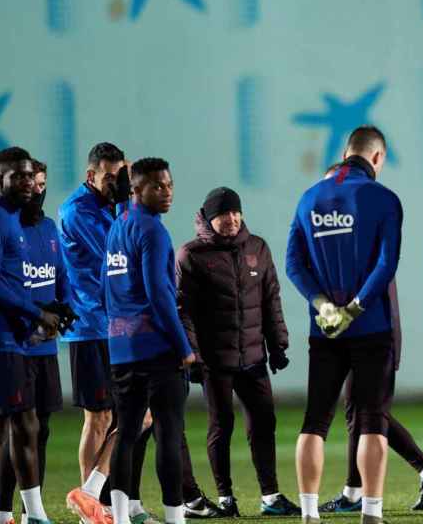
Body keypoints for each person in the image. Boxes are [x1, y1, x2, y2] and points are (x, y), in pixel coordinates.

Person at [286, 126, 402, 524]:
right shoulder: (383, 198)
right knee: (372, 422)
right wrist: (353, 308)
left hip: (325, 331)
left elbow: (293, 265)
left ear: (345, 151)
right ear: (376, 158)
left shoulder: (308, 198)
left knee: (314, 422)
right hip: (369, 328)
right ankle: (371, 513)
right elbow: (386, 265)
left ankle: (308, 513)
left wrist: (323, 306)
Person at [318, 160, 423, 516]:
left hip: (374, 336)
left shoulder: (361, 233)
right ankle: (358, 490)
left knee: (366, 412)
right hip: (357, 336)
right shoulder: (343, 238)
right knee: (358, 412)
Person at [176, 187, 299, 517]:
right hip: (215, 362)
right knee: (222, 425)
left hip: (254, 358)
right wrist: (193, 357)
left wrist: (278, 345)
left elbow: (271, 299)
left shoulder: (257, 248)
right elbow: (183, 311)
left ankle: (270, 497)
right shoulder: (191, 255)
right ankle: (226, 498)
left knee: (264, 422)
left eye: (235, 212)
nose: (230, 219)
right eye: (222, 214)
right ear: (208, 218)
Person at [0, 147, 60, 524]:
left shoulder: (10, 218)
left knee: (28, 423)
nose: (27, 183)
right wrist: (36, 311)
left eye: (29, 176)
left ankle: (33, 513)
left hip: (13, 338)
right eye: (17, 176)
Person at [103, 158, 196, 524]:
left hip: (121, 348)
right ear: (137, 191)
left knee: (125, 433)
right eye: (158, 186)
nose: (168, 191)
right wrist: (184, 347)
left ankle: (121, 517)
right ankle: (175, 518)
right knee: (168, 433)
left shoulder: (117, 226)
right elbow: (160, 294)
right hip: (157, 348)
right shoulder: (154, 231)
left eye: (170, 184)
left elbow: (104, 286)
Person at [0, 161, 67, 523]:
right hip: (15, 345)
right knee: (17, 429)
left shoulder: (50, 229)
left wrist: (64, 311)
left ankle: (28, 512)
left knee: (42, 429)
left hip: (45, 347)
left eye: (42, 184)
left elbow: (59, 277)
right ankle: (3, 510)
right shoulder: (4, 230)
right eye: (31, 183)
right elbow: (0, 287)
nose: (37, 190)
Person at [60, 143, 127, 522]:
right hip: (90, 325)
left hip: (117, 324)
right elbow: (115, 255)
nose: (115, 183)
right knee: (99, 417)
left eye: (119, 176)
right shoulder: (78, 210)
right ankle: (92, 507)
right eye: (108, 177)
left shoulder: (112, 205)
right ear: (91, 176)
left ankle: (93, 497)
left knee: (135, 416)